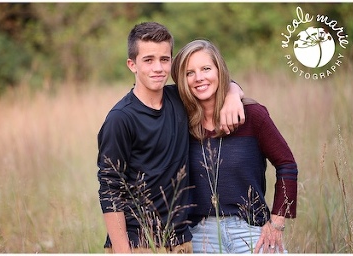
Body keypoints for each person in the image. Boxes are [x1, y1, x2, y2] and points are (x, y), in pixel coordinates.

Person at [96, 22, 246, 253]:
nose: (158, 68)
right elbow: (110, 188)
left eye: (164, 59)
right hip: (139, 243)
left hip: (181, 242)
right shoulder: (120, 119)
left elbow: (213, 83)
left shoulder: (179, 99)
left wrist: (233, 93)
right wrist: (122, 250)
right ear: (132, 65)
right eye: (148, 60)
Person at [171, 39, 297, 254]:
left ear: (220, 71)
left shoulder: (252, 115)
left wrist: (276, 223)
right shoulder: (177, 118)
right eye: (189, 73)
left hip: (251, 230)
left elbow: (286, 165)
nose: (199, 77)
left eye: (206, 69)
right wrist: (232, 90)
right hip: (201, 235)